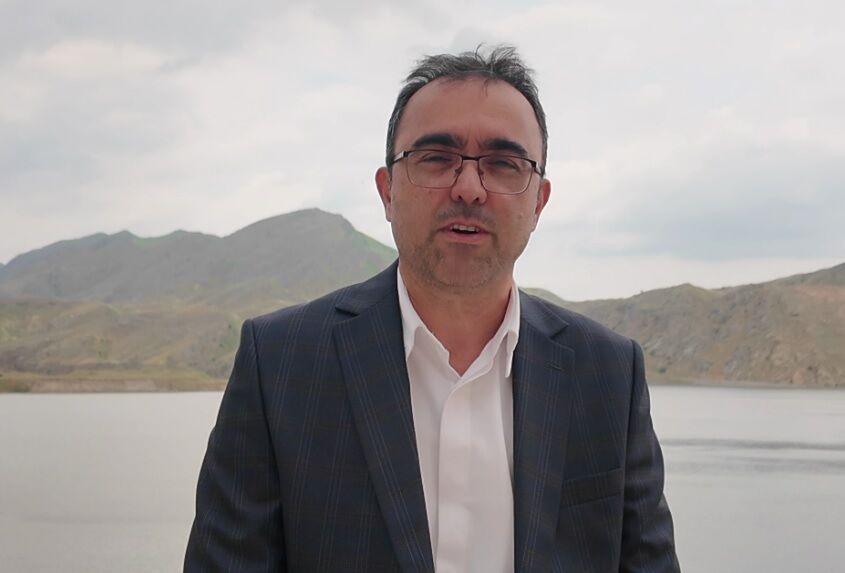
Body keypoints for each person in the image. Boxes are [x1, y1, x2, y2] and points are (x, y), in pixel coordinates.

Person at [184, 45, 679, 573]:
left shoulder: (607, 373)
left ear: (539, 202)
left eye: (503, 164)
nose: (468, 188)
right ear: (387, 191)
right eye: (437, 158)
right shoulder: (281, 365)